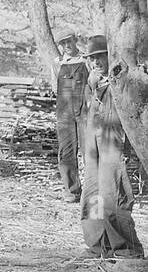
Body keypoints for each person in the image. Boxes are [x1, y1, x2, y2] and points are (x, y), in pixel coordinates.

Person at [78, 34, 143, 258]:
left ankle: (126, 251)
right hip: (93, 147)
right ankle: (98, 245)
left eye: (100, 57)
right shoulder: (91, 82)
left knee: (113, 195)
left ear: (109, 55)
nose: (96, 62)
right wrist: (92, 88)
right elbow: (83, 111)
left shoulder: (121, 79)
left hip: (113, 145)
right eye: (91, 58)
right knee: (92, 196)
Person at [53, 31, 87, 203]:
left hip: (84, 112)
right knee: (66, 151)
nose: (67, 45)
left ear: (75, 41)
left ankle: (92, 191)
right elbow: (55, 89)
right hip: (64, 113)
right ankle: (72, 191)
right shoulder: (57, 64)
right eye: (63, 42)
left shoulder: (86, 60)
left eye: (69, 41)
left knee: (90, 151)